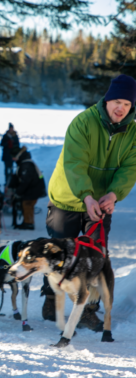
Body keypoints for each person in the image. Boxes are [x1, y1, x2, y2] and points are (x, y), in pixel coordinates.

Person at [41, 74, 136, 329]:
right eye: (117, 101)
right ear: (106, 100)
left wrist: (114, 194)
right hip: (68, 197)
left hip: (101, 202)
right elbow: (75, 164)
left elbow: (130, 167)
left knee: (96, 256)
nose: (121, 108)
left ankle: (88, 308)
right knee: (58, 252)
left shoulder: (133, 132)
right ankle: (51, 298)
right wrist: (86, 195)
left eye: (127, 104)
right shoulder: (83, 122)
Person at [9, 146, 46, 230]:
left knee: (27, 204)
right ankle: (27, 222)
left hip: (33, 190)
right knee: (26, 205)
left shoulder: (26, 165)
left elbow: (25, 181)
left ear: (18, 155)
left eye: (13, 157)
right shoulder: (24, 163)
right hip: (32, 189)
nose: (13, 159)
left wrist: (18, 192)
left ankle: (29, 224)